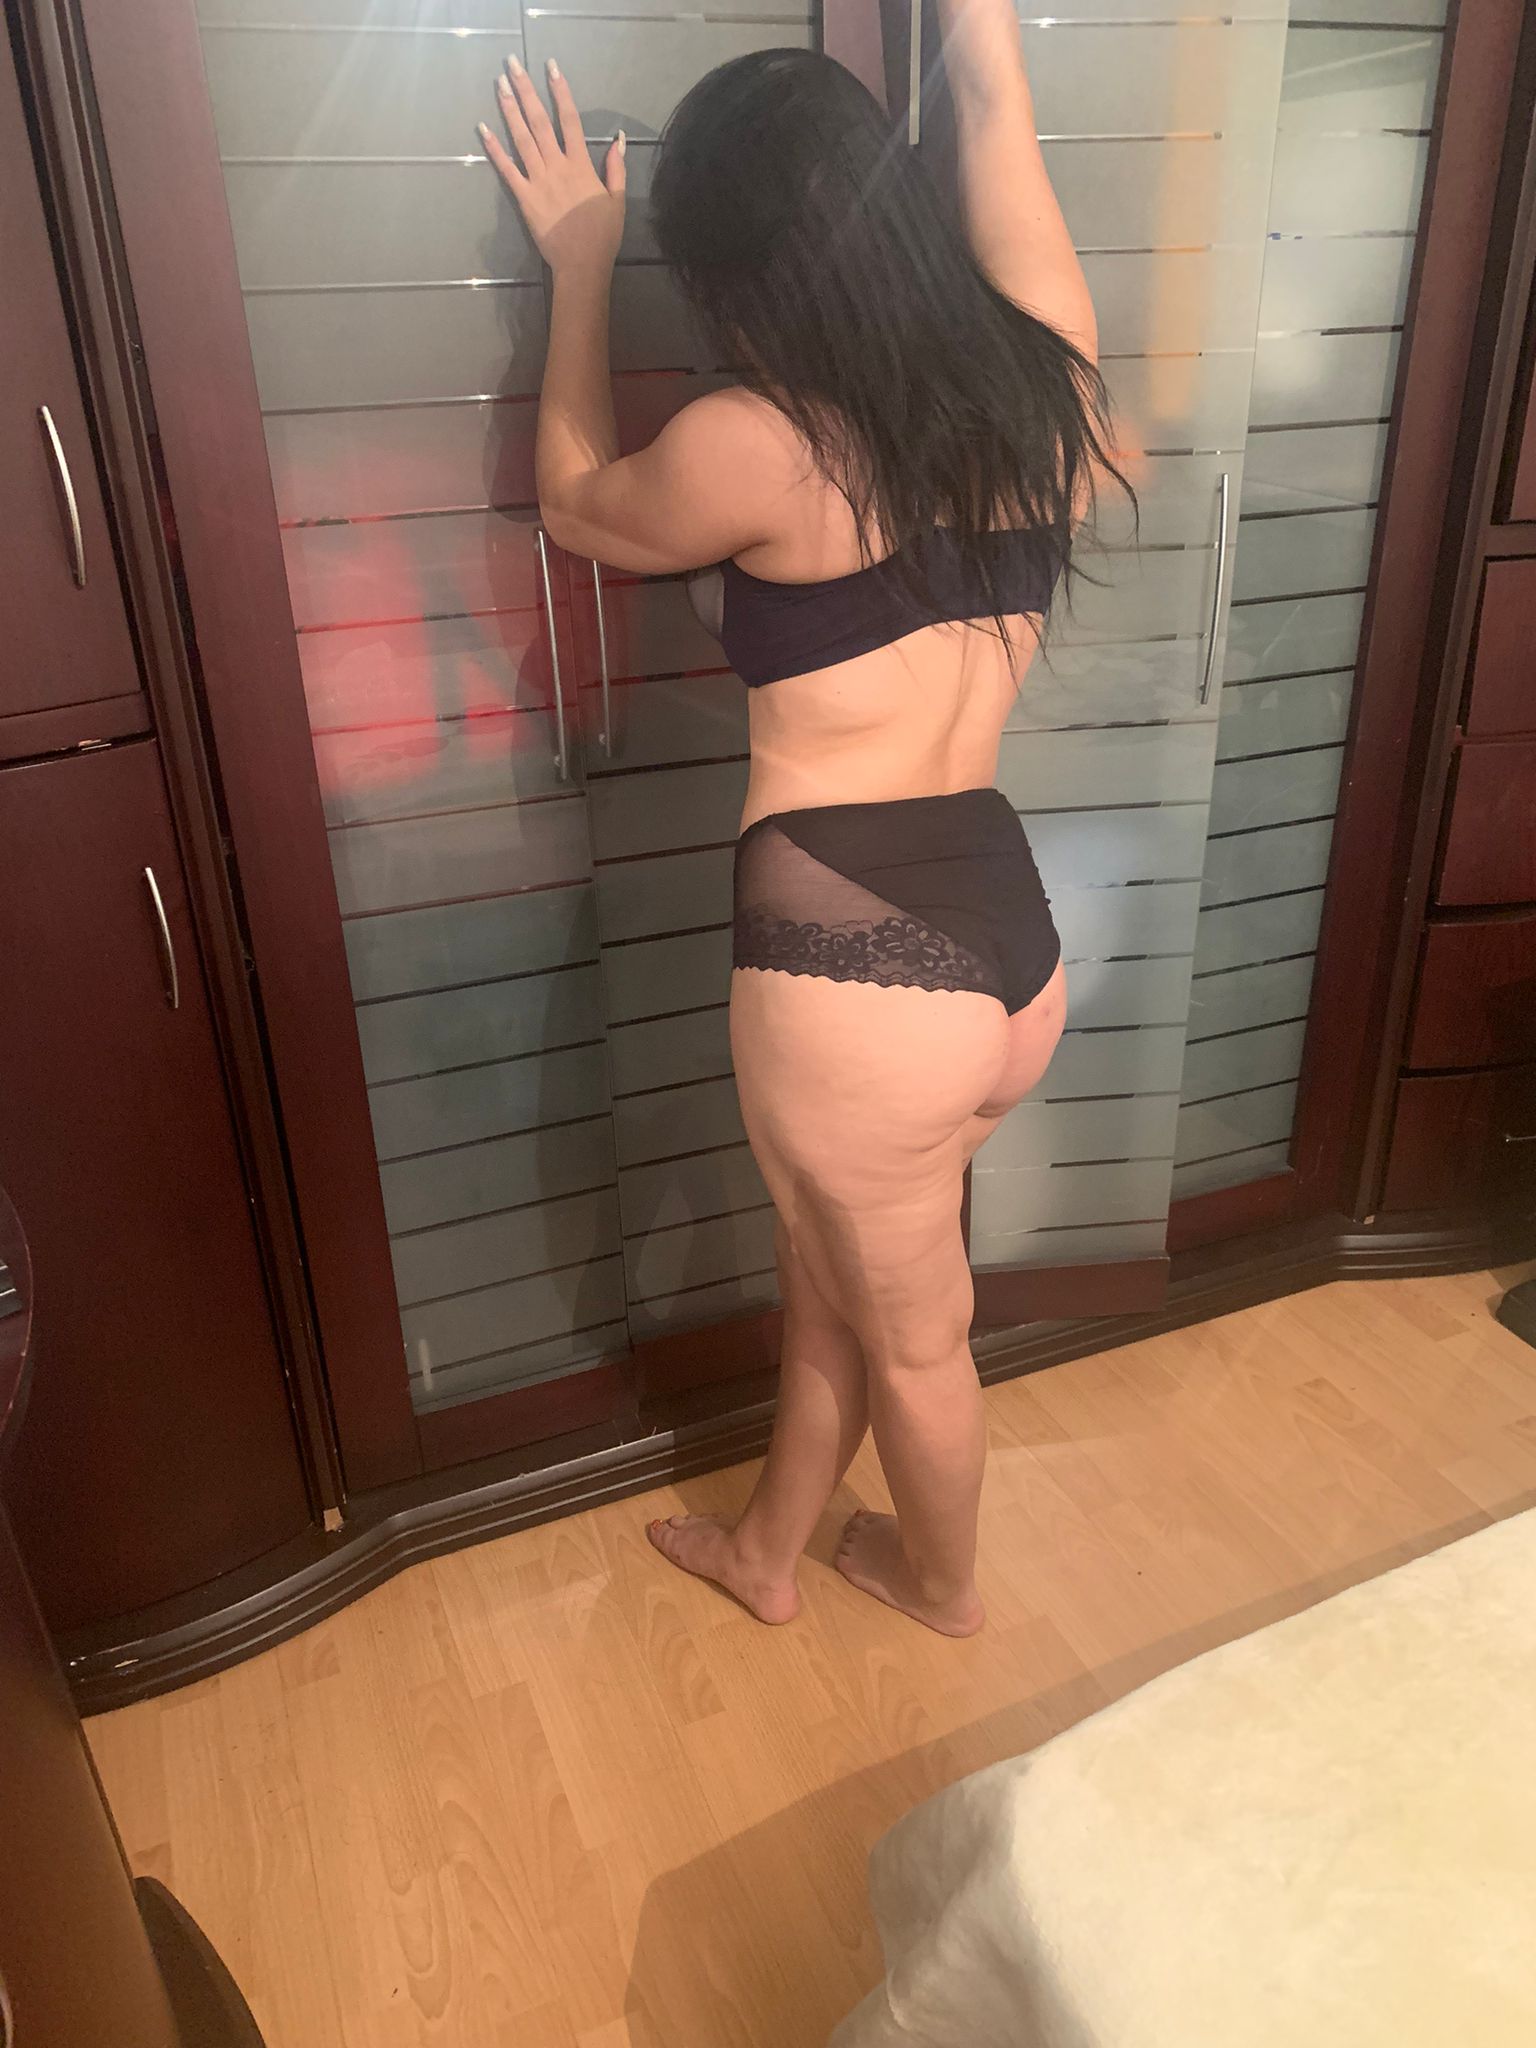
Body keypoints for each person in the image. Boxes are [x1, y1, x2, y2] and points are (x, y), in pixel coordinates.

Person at [480, 0, 1119, 1636]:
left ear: (731, 266)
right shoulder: (1038, 358)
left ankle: (941, 1585)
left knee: (917, 1332)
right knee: (838, 1268)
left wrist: (579, 261)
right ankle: (770, 1549)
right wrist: (976, 25)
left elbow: (573, 503)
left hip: (856, 970)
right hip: (1005, 941)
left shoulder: (755, 444)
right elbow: (994, 104)